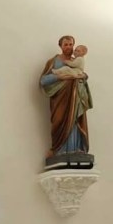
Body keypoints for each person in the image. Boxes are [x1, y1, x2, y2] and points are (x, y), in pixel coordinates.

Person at [39, 34, 93, 166]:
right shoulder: (53, 61)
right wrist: (60, 78)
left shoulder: (78, 61)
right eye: (65, 44)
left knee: (75, 122)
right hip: (60, 100)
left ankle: (76, 150)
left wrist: (84, 76)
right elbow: (43, 81)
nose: (68, 47)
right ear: (60, 46)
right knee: (59, 121)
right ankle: (59, 150)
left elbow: (81, 77)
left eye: (70, 44)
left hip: (76, 100)